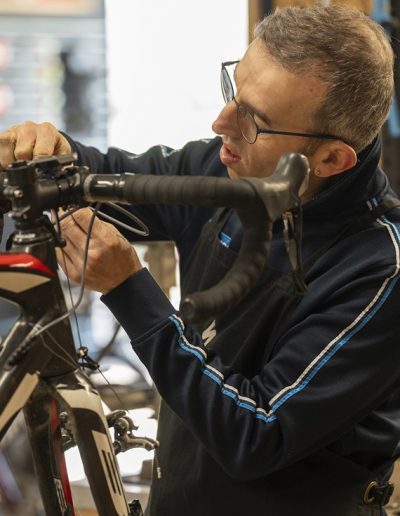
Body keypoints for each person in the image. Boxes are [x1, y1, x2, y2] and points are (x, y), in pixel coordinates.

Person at [0, 4, 399, 515]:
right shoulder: (224, 167)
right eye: (234, 90)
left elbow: (256, 434)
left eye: (255, 121)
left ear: (330, 159)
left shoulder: (380, 271)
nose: (221, 123)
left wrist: (129, 290)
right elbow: (109, 175)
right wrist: (48, 153)